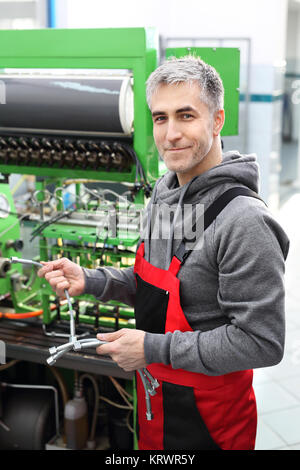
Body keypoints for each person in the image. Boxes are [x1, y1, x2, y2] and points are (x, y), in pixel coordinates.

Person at [38, 56, 289, 451]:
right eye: (160, 118)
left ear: (217, 120)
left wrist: (152, 348)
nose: (171, 134)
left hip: (211, 420)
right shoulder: (163, 193)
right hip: (157, 400)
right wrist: (91, 280)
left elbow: (262, 342)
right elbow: (156, 284)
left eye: (186, 116)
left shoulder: (244, 221)